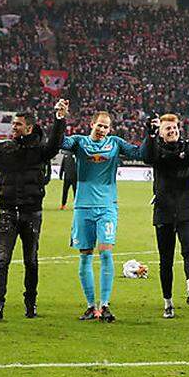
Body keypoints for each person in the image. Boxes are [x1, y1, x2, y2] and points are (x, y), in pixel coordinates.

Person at [0, 101, 67, 323]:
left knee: (31, 261)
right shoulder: (3, 148)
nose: (13, 127)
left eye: (18, 124)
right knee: (2, 260)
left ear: (29, 128)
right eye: (13, 124)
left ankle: (30, 304)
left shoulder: (39, 151)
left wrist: (59, 118)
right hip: (7, 212)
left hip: (32, 213)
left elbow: (55, 144)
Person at [61, 111, 143, 323]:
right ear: (92, 124)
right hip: (82, 207)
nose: (102, 129)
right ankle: (91, 307)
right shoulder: (79, 142)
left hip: (107, 206)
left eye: (106, 127)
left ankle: (105, 305)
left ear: (110, 129)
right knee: (85, 255)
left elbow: (139, 153)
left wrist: (151, 134)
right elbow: (59, 142)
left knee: (106, 253)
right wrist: (60, 119)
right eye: (99, 125)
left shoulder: (115, 143)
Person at [141, 112, 189, 319]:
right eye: (168, 128)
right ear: (161, 132)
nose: (173, 131)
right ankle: (168, 303)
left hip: (187, 208)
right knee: (165, 260)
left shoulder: (188, 147)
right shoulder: (156, 149)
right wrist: (149, 135)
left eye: (175, 128)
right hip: (164, 211)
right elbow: (147, 157)